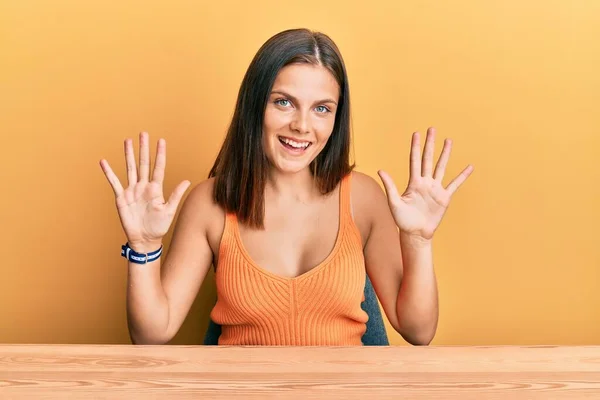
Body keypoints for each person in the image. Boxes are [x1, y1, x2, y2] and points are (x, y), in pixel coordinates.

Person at [99, 28, 473, 346]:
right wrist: (144, 249)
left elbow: (418, 330)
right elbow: (151, 333)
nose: (302, 126)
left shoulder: (363, 198)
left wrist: (419, 242)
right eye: (284, 102)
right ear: (254, 106)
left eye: (322, 109)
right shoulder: (210, 203)